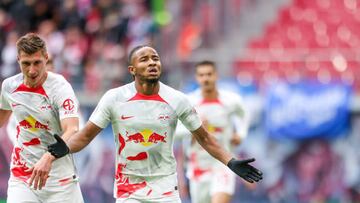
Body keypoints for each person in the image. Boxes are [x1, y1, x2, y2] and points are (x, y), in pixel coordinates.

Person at [48, 45, 262, 202]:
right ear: (132, 69)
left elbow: (205, 138)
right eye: (144, 59)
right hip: (128, 186)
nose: (152, 62)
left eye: (155, 58)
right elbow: (86, 135)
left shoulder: (178, 99)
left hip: (165, 186)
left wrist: (231, 161)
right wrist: (66, 148)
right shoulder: (114, 98)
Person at [0, 33, 84, 203]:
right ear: (18, 60)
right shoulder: (9, 86)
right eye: (26, 63)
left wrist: (47, 157)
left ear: (46, 58)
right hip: (23, 176)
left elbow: (72, 128)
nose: (31, 70)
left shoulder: (60, 87)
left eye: (37, 62)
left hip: (60, 179)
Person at [176, 60, 250, 203]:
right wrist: (193, 127)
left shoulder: (231, 100)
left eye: (209, 74)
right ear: (197, 78)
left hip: (223, 165)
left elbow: (244, 114)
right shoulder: (189, 102)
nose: (206, 78)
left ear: (216, 76)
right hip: (198, 168)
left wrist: (241, 134)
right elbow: (175, 132)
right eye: (201, 75)